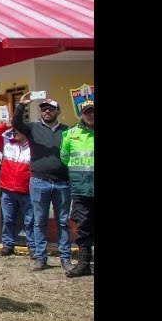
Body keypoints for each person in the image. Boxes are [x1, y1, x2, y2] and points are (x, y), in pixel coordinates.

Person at [12, 92, 71, 273]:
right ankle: (40, 258)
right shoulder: (32, 128)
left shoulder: (67, 131)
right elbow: (17, 124)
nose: (47, 111)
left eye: (51, 109)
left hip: (62, 182)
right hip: (39, 181)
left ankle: (65, 258)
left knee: (63, 222)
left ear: (58, 111)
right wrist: (21, 105)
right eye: (44, 109)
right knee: (39, 221)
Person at [0, 119, 33, 257]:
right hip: (7, 190)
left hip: (26, 190)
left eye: (18, 130)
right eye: (14, 130)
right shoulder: (7, 142)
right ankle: (8, 245)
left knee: (30, 220)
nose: (15, 132)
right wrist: (5, 125)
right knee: (8, 219)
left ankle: (33, 247)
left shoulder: (34, 146)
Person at [61, 99, 94, 277]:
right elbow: (65, 157)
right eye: (87, 112)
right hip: (81, 188)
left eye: (93, 111)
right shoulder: (70, 133)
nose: (91, 115)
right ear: (81, 114)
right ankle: (83, 265)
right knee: (83, 227)